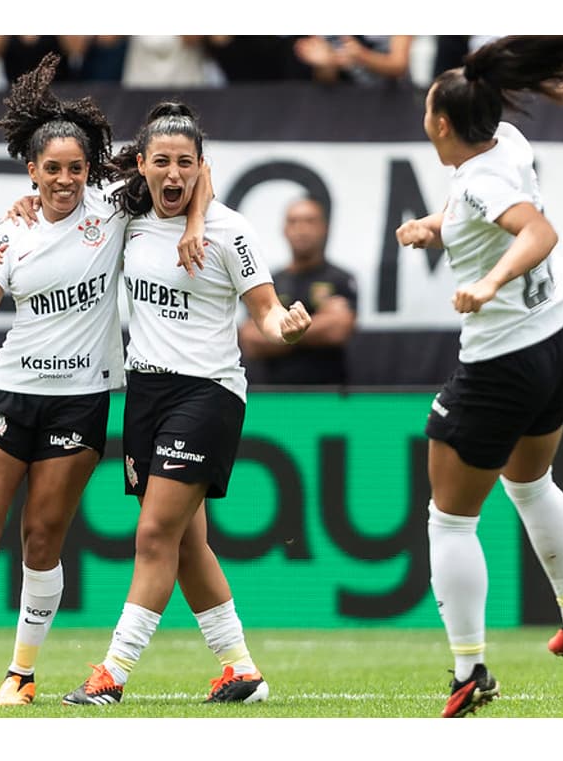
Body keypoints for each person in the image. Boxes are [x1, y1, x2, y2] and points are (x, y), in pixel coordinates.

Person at [0, 53, 207, 708]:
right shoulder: (13, 228)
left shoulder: (110, 209)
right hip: (10, 390)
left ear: (89, 170)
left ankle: (20, 674)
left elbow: (188, 163)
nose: (63, 180)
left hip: (79, 398)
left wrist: (193, 221)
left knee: (42, 538)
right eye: (52, 169)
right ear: (33, 170)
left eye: (75, 169)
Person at [58, 101, 311, 706]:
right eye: (162, 162)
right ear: (140, 164)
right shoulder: (127, 221)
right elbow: (62, 209)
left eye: (186, 164)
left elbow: (266, 311)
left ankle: (112, 674)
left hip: (207, 393)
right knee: (187, 543)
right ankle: (241, 671)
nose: (174, 175)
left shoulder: (230, 230)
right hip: (144, 393)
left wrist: (287, 328)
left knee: (153, 535)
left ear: (203, 167)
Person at [394, 35, 563, 719]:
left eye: (429, 110)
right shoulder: (504, 144)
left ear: (440, 124)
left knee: (449, 521)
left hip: (502, 362)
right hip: (556, 342)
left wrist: (488, 280)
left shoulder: (481, 178)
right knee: (530, 482)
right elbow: (483, 209)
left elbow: (536, 231)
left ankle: (468, 670)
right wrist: (436, 227)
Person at [239, 196, 357, 385]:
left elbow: (337, 330)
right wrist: (318, 323)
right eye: (294, 222)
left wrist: (278, 333)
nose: (301, 229)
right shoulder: (268, 281)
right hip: (275, 396)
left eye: (309, 221)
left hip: (329, 395)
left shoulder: (341, 279)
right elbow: (251, 340)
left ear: (324, 228)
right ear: (284, 230)